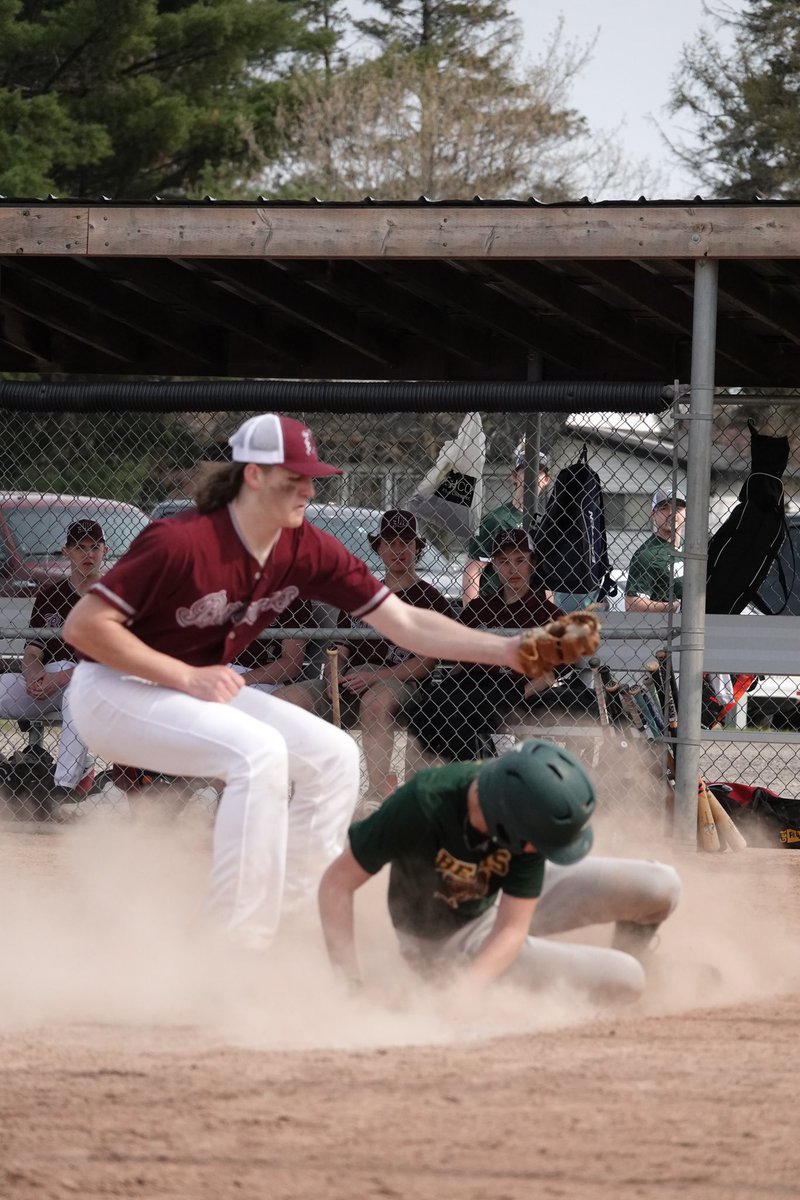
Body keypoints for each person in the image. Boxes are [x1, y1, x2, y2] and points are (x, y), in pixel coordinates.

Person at [63, 413, 539, 954]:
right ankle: (233, 947)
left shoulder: (303, 546)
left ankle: (294, 927)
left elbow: (405, 623)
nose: (309, 489)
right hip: (115, 688)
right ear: (254, 477)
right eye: (295, 477)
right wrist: (184, 674)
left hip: (193, 686)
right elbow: (84, 627)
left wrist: (508, 649)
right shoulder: (181, 540)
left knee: (332, 755)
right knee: (257, 754)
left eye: (312, 477)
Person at [318, 739, 681, 1002]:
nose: (541, 850)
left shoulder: (522, 810)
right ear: (506, 822)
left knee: (661, 884)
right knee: (626, 978)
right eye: (537, 842)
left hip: (499, 904)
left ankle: (636, 951)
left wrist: (466, 991)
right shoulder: (423, 804)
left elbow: (511, 927)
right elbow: (336, 884)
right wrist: (348, 985)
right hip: (445, 941)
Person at [277, 509, 452, 807]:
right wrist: (334, 674)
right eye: (390, 542)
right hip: (353, 679)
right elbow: (342, 647)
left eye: (406, 543)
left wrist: (374, 677)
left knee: (376, 702)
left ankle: (376, 794)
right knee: (287, 700)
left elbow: (424, 664)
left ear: (418, 548)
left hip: (401, 682)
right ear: (379, 548)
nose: (398, 550)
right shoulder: (361, 593)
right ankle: (291, 793)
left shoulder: (430, 598)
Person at [402, 528, 561, 763]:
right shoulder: (479, 608)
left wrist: (521, 694)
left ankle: (476, 777)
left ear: (533, 563)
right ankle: (425, 788)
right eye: (503, 561)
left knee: (459, 713)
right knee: (421, 714)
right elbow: (458, 661)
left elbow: (551, 673)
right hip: (468, 684)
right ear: (494, 566)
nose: (512, 569)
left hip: (511, 685)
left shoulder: (548, 614)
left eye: (520, 560)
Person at [0, 518, 107, 806]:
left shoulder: (115, 596)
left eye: (94, 547)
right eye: (80, 547)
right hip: (49, 681)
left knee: (77, 693)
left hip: (95, 685)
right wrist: (33, 675)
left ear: (105, 551)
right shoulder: (51, 594)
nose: (88, 554)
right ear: (66, 552)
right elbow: (33, 651)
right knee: (2, 687)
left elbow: (112, 661)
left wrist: (60, 677)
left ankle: (64, 788)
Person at [462, 445, 551, 604]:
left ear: (546, 480)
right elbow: (474, 571)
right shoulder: (496, 519)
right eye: (526, 470)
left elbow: (548, 576)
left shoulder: (547, 522)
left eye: (538, 472)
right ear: (515, 477)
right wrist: (470, 613)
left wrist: (549, 610)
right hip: (496, 606)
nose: (532, 476)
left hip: (533, 607)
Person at [624, 489, 686, 614]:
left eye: (678, 508)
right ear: (653, 514)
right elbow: (632, 604)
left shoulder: (690, 548)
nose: (671, 513)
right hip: (664, 628)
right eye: (664, 508)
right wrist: (674, 607)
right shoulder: (647, 555)